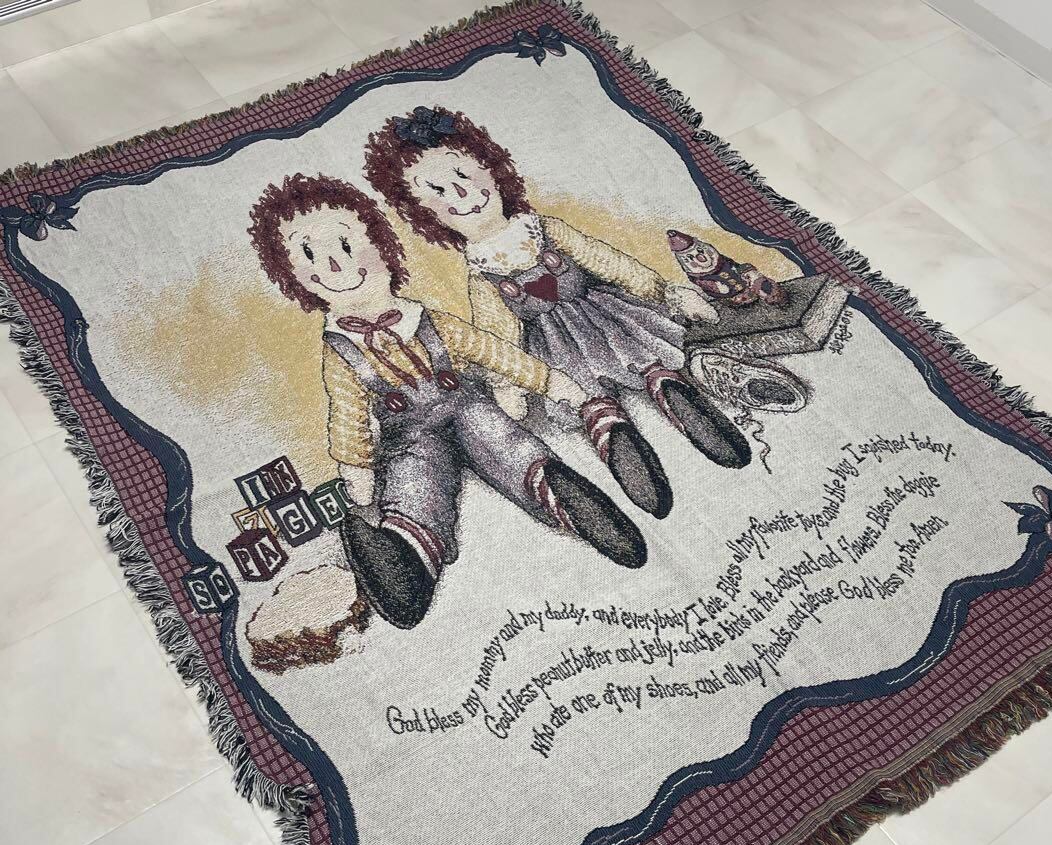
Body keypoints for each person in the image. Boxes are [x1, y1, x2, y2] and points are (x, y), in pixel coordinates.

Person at [248, 174, 647, 629]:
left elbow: (490, 351)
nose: (336, 264)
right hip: (409, 432)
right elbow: (348, 411)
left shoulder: (426, 318)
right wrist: (355, 465)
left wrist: (548, 381)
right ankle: (408, 556)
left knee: (501, 438)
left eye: (345, 243)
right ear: (297, 280)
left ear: (380, 247)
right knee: (413, 477)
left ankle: (564, 495)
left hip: (465, 403)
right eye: (309, 256)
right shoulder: (339, 351)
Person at [365, 106, 752, 522]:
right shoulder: (480, 272)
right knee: (582, 392)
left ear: (492, 170)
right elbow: (498, 331)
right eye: (437, 191)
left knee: (643, 356)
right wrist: (507, 383)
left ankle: (676, 395)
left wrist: (664, 291)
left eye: (463, 174)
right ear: (426, 215)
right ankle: (612, 433)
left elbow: (605, 261)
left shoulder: (544, 229)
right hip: (550, 344)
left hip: (605, 314)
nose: (459, 192)